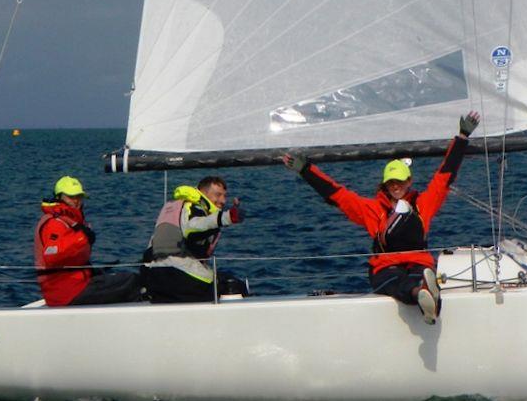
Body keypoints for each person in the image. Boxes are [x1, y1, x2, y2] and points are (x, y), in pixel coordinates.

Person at [283, 112, 480, 324]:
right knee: (395, 280)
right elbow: (337, 195)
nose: (396, 186)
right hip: (386, 266)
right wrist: (306, 170)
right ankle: (422, 296)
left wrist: (462, 137)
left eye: (400, 181)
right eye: (391, 182)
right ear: (385, 184)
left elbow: (445, 175)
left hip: (416, 263)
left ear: (409, 181)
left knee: (416, 276)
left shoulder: (424, 204)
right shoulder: (372, 209)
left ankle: (424, 295)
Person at [34, 176, 145, 306]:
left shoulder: (71, 221)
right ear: (59, 197)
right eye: (71, 197)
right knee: (131, 281)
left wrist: (91, 271)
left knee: (125, 278)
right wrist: (82, 238)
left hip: (75, 286)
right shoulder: (55, 223)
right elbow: (52, 255)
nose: (76, 201)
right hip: (66, 292)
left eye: (79, 197)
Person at [142, 175, 247, 303]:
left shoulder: (174, 208)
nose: (223, 201)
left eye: (224, 196)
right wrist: (228, 217)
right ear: (203, 193)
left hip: (156, 276)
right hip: (181, 276)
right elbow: (193, 227)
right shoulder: (194, 209)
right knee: (236, 286)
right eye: (218, 195)